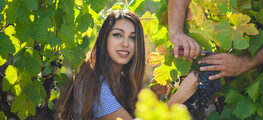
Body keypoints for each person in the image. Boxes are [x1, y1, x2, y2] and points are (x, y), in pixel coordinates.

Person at [57, 10, 198, 120]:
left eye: (132, 37)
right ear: (104, 39)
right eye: (118, 35)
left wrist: (154, 94)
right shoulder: (95, 85)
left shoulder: (122, 81)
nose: (125, 43)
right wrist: (178, 97)